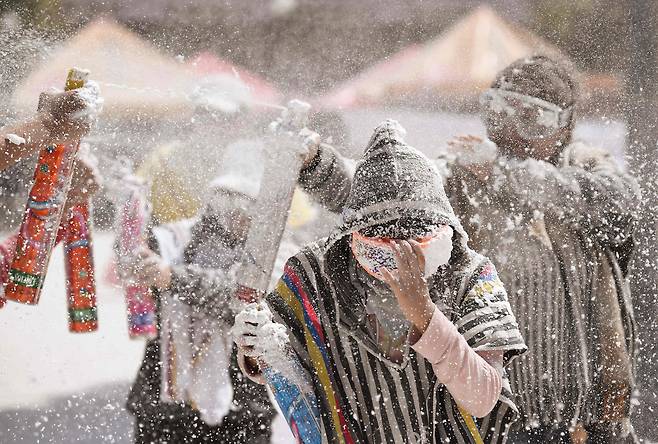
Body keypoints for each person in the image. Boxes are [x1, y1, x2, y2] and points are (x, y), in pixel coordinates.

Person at [233, 120, 527, 443]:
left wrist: (425, 316)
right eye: (381, 255)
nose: (400, 270)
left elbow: (482, 396)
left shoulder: (470, 275)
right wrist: (257, 348)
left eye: (418, 251)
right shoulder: (315, 274)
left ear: (443, 234)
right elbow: (282, 369)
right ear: (352, 239)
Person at [441, 56, 640, 443]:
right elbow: (390, 197)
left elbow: (623, 204)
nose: (511, 132)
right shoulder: (463, 175)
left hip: (591, 420)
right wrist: (318, 166)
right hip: (495, 418)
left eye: (531, 119)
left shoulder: (581, 169)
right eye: (500, 113)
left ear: (563, 125)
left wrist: (504, 174)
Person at [118, 123, 354, 443]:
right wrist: (129, 231)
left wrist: (173, 278)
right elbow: (135, 279)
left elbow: (242, 298)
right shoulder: (173, 239)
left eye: (251, 207)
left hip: (242, 411)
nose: (238, 216)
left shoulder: (278, 252)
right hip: (166, 407)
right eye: (231, 202)